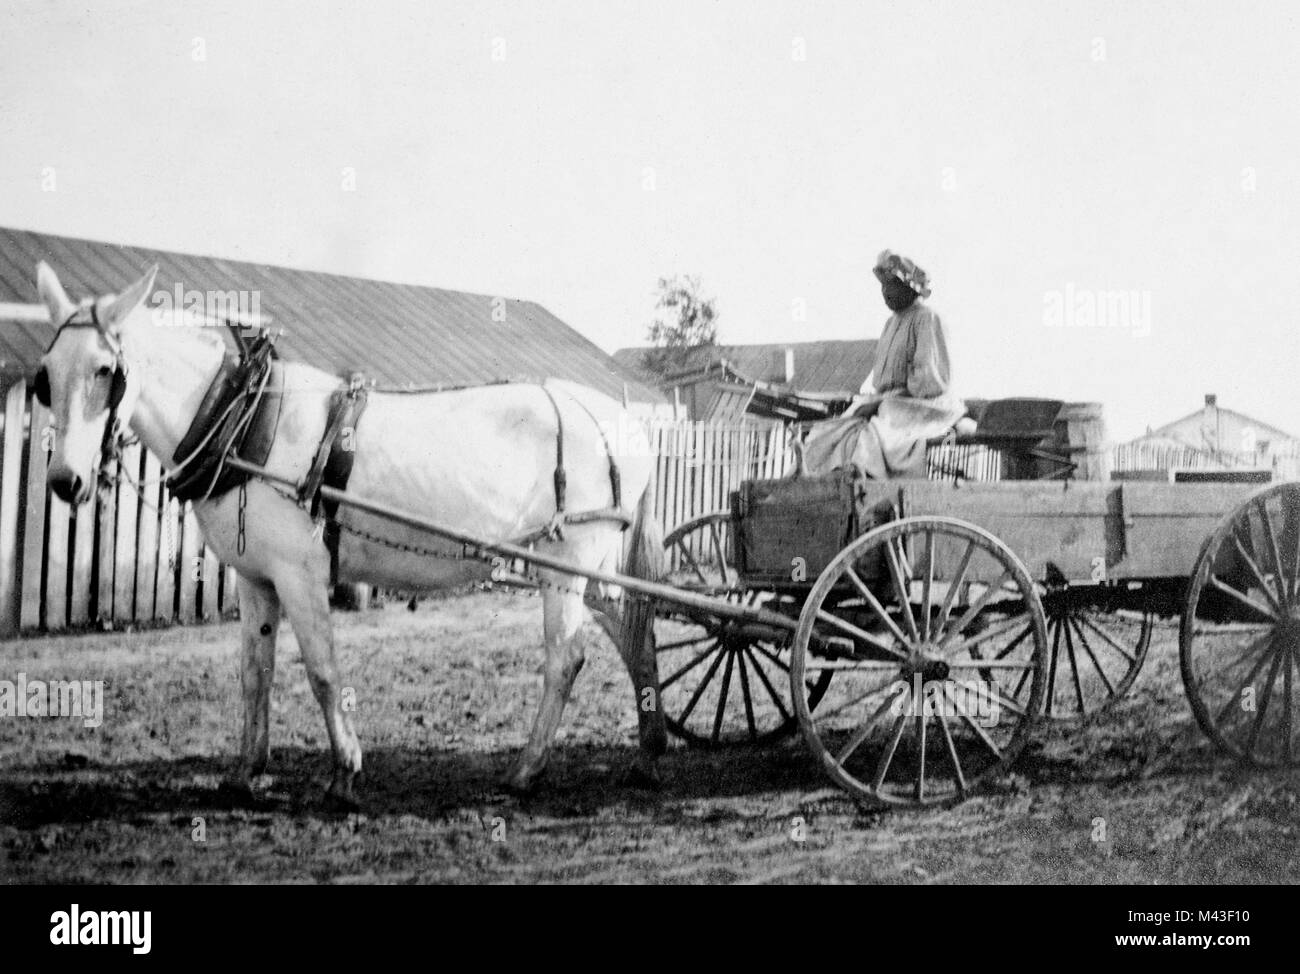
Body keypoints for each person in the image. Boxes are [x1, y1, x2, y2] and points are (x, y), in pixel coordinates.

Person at [801, 250, 968, 479]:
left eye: (891, 286)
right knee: (838, 430)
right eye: (882, 287)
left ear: (908, 287)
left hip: (924, 405)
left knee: (873, 431)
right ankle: (830, 477)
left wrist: (892, 395)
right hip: (891, 402)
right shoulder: (891, 323)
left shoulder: (927, 318)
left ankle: (866, 478)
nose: (885, 293)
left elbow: (931, 380)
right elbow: (882, 379)